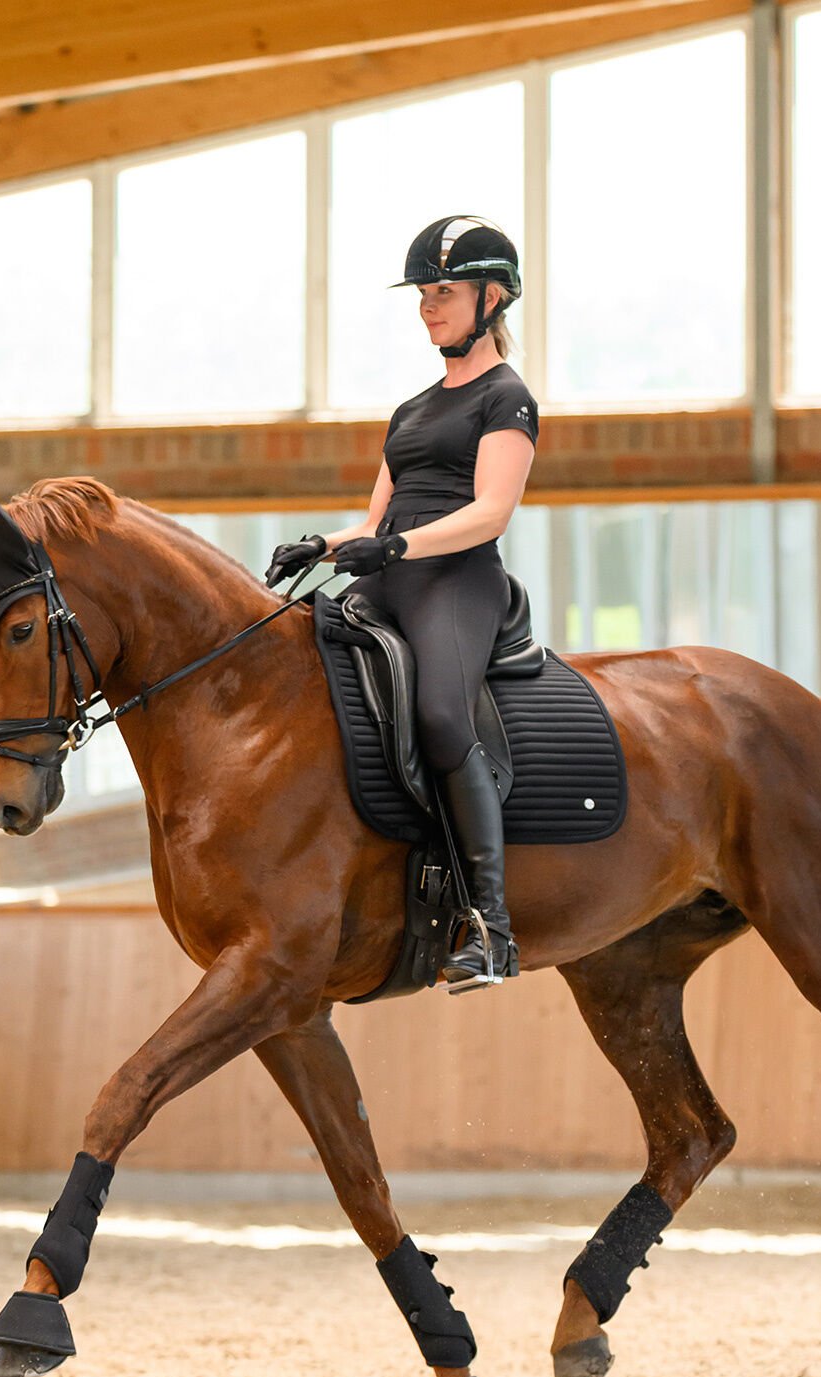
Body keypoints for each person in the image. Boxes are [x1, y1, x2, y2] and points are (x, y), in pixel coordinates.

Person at [266, 216, 539, 988]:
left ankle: (491, 926)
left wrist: (393, 549)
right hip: (391, 570)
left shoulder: (506, 397)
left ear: (492, 297)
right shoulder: (413, 409)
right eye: (422, 294)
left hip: (456, 582)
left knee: (445, 716)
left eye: (443, 293)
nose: (428, 307)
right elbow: (374, 519)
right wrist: (322, 545)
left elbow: (491, 512)